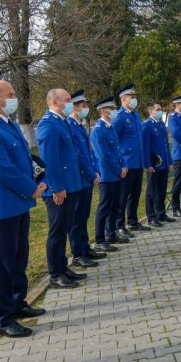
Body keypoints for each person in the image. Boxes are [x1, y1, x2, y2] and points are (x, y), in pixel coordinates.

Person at [0, 78, 48, 338]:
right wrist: (30, 188)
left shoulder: (8, 125)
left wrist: (36, 181)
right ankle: (2, 318)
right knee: (2, 264)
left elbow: (23, 159)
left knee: (18, 258)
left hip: (18, 204)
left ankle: (17, 302)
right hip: (2, 205)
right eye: (10, 94)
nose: (15, 98)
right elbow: (2, 169)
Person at [35, 88, 83, 290]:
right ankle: (55, 274)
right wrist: (56, 188)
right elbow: (50, 160)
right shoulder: (48, 124)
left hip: (68, 185)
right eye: (67, 99)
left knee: (64, 229)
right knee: (57, 231)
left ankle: (63, 267)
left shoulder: (61, 122)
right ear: (55, 102)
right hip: (58, 189)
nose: (71, 103)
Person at [65, 90, 107, 264]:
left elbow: (90, 152)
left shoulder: (80, 125)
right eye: (83, 106)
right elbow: (78, 155)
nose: (86, 108)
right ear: (75, 107)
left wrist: (97, 171)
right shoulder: (70, 125)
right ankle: (77, 253)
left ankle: (85, 247)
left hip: (88, 177)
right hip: (80, 177)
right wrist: (91, 173)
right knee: (76, 218)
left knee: (84, 216)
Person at [91, 95, 127, 249]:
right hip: (107, 175)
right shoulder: (98, 130)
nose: (114, 111)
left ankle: (111, 233)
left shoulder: (110, 127)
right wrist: (118, 169)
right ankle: (100, 240)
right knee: (104, 207)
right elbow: (104, 156)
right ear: (103, 111)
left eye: (114, 108)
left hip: (117, 173)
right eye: (111, 109)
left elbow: (118, 150)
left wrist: (124, 165)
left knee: (115, 205)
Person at [111, 84, 147, 237]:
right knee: (123, 196)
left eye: (135, 97)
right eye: (132, 97)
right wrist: (120, 161)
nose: (134, 100)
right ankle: (119, 225)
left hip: (137, 162)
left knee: (135, 193)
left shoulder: (136, 115)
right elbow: (114, 140)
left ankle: (133, 221)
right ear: (123, 99)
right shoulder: (119, 117)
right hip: (126, 162)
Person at [143, 102, 173, 225]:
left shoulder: (161, 124)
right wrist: (148, 164)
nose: (161, 111)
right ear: (151, 111)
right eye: (158, 109)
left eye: (161, 109)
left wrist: (169, 162)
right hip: (154, 164)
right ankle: (151, 217)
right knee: (151, 191)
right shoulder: (146, 125)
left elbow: (166, 146)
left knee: (161, 190)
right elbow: (145, 147)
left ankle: (161, 214)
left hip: (164, 163)